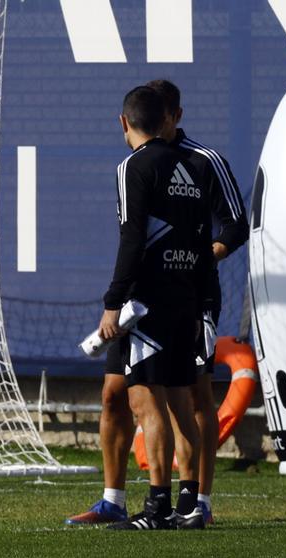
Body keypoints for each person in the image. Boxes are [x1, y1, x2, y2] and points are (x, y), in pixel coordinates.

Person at [72, 86, 213, 530]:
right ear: (166, 121)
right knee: (176, 399)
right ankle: (190, 503)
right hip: (185, 297)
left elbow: (133, 238)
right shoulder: (191, 165)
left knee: (147, 404)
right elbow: (200, 243)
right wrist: (201, 303)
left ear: (124, 122)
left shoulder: (134, 166)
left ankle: (158, 507)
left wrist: (113, 304)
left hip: (147, 303)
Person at [147, 79, 249, 525]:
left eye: (163, 117)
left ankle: (201, 501)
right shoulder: (139, 164)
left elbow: (236, 224)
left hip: (195, 295)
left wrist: (204, 256)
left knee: (194, 390)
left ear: (176, 117)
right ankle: (159, 500)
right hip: (151, 298)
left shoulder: (204, 162)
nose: (155, 126)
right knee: (141, 393)